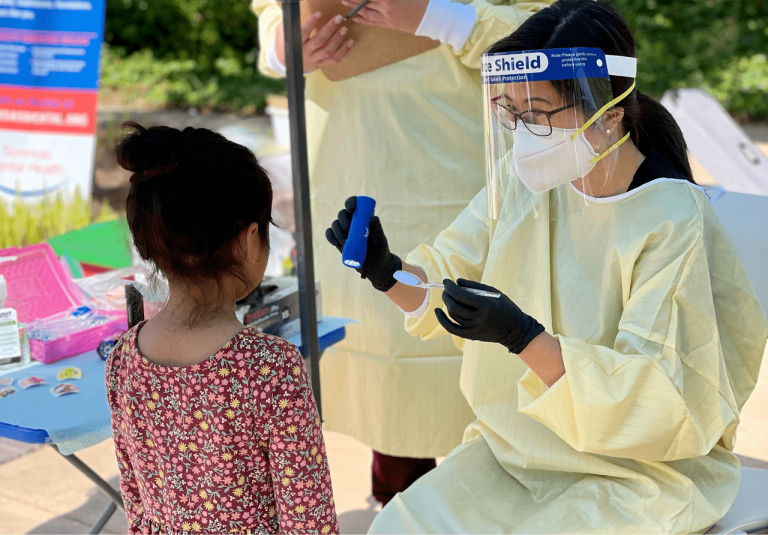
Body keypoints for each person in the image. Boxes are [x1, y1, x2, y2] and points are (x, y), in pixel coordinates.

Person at [326, 1, 768, 532]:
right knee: (399, 527)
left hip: (637, 474)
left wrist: (523, 336)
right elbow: (443, 277)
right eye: (509, 113)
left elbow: (662, 396)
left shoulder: (669, 218)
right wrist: (386, 271)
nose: (521, 132)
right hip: (515, 450)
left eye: (535, 114)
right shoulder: (525, 183)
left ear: (608, 117)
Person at [251, 0, 552, 505]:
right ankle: (398, 503)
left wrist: (439, 17)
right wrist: (286, 46)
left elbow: (555, 32)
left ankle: (496, 505)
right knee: (383, 365)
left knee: (485, 350)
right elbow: (270, 14)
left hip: (466, 167)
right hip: (352, 154)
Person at [105, 123, 338, 535]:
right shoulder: (271, 369)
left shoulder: (122, 358)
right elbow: (308, 521)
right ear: (250, 239)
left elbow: (136, 501)